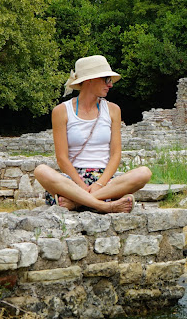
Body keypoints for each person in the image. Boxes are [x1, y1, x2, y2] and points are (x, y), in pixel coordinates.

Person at [34, 55, 151, 213]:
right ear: (90, 80)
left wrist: (99, 184)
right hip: (73, 180)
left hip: (104, 181)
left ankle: (77, 203)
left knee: (144, 173)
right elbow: (62, 158)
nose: (110, 85)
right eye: (106, 79)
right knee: (41, 171)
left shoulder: (113, 110)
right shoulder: (61, 111)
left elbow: (116, 154)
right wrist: (82, 186)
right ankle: (104, 205)